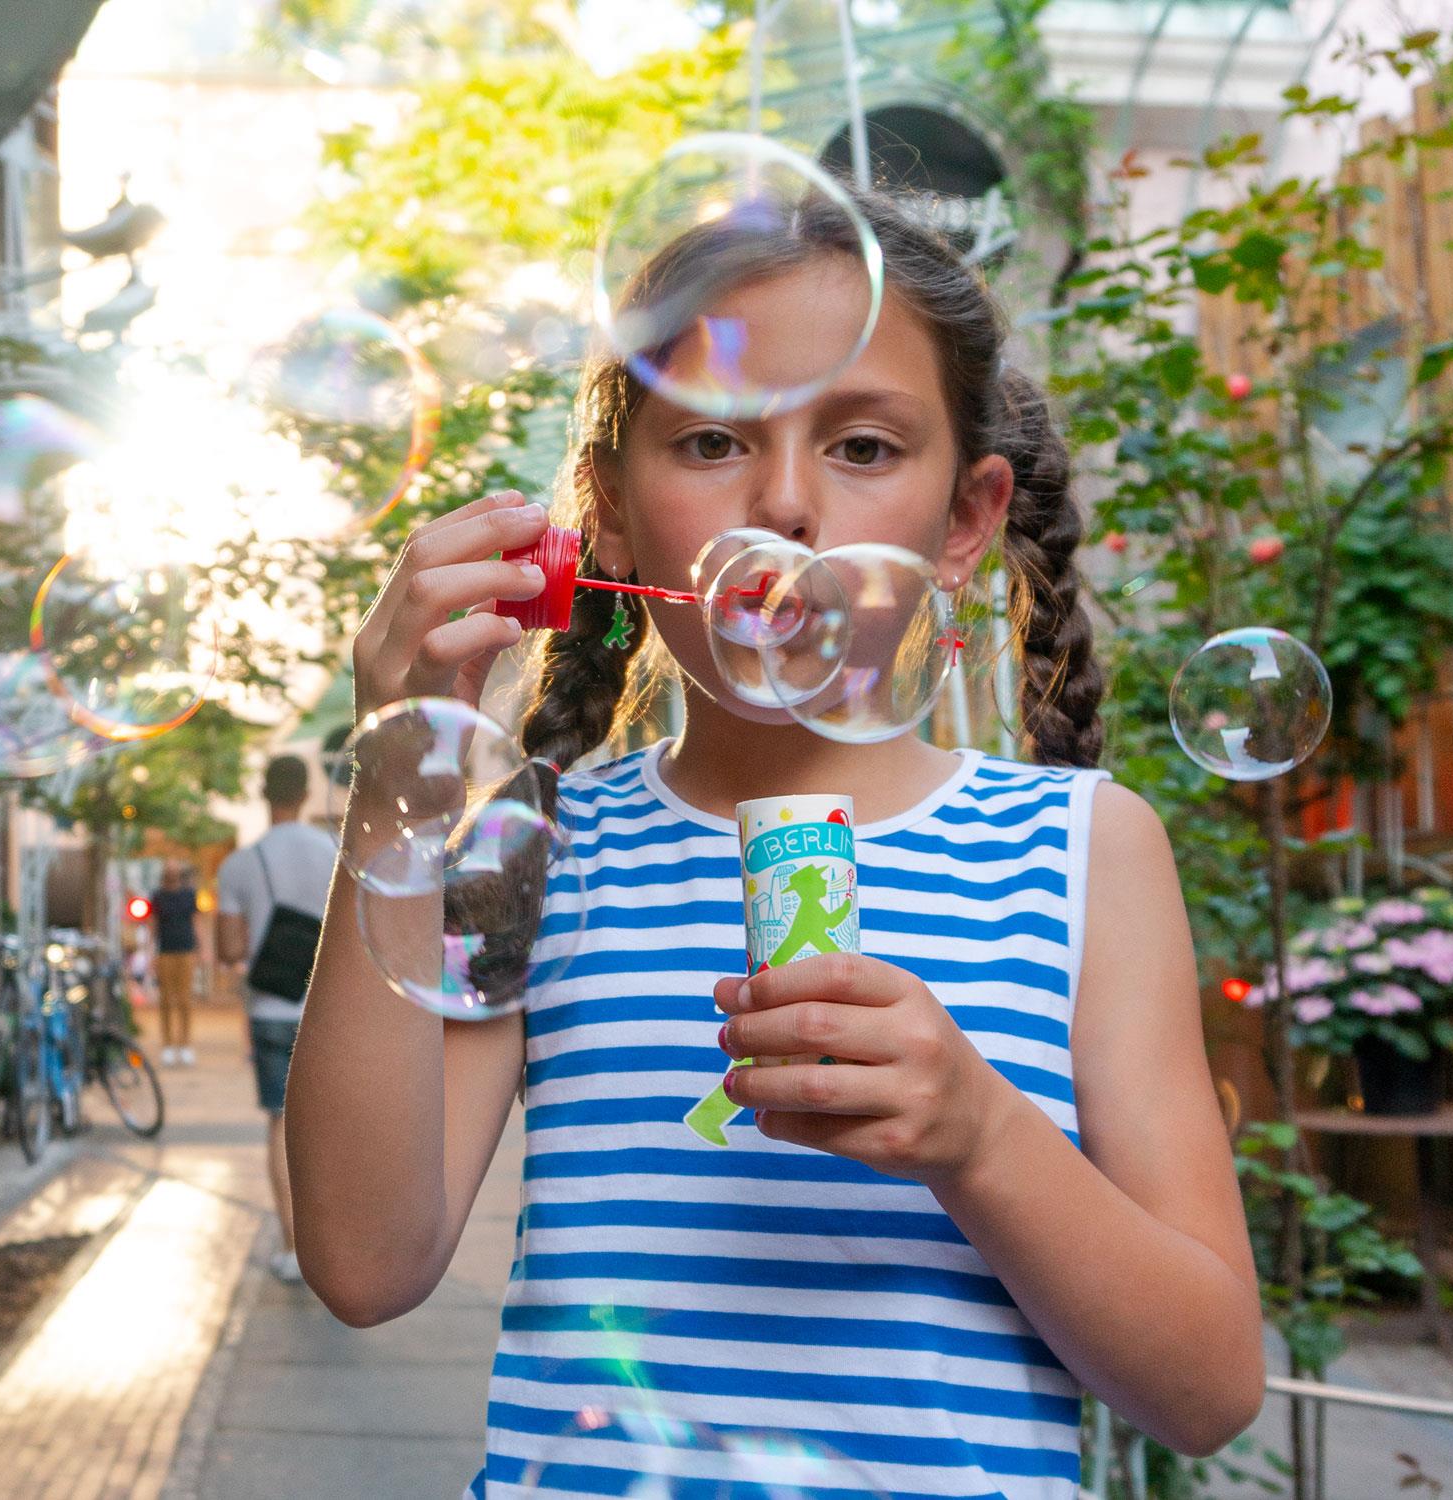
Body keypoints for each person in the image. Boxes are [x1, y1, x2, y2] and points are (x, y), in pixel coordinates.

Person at [286, 188, 1266, 1497]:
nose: (788, 503)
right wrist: (404, 770)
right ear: (612, 518)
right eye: (709, 443)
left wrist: (981, 1136)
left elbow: (1206, 1389)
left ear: (965, 520)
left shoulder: (1084, 850)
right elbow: (362, 1260)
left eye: (862, 446)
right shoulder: (540, 848)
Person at [217, 754, 338, 1285]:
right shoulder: (333, 851)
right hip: (328, 1010)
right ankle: (334, 1251)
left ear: (265, 795)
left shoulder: (240, 864)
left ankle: (293, 1250)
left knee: (281, 1125)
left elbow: (228, 948)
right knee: (330, 1129)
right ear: (307, 793)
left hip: (269, 1008)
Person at [150, 859, 199, 1067]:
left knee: (185, 998)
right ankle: (168, 1044)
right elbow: (153, 924)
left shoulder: (189, 894)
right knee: (166, 999)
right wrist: (151, 951)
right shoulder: (158, 896)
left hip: (186, 949)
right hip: (165, 950)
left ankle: (185, 1043)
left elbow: (195, 921)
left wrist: (201, 949)